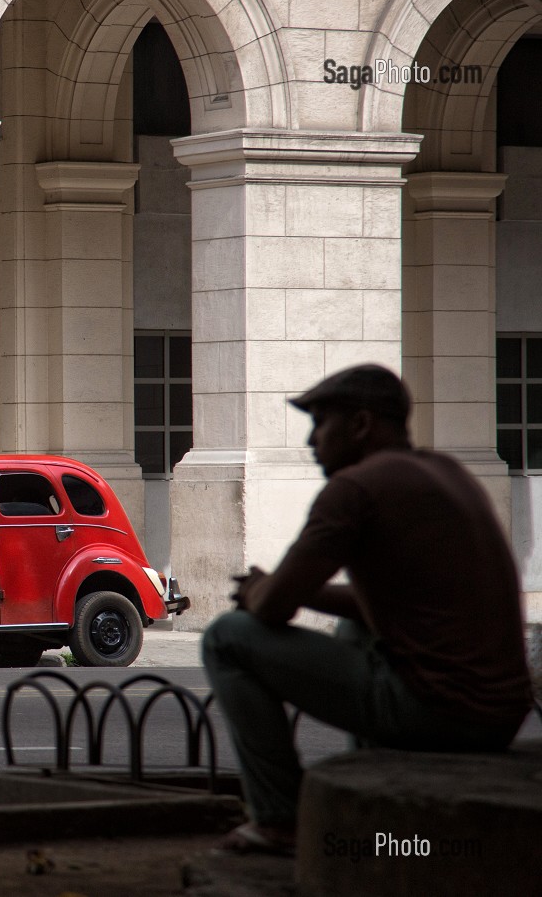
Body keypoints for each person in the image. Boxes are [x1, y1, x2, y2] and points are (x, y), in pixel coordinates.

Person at [202, 364, 533, 855]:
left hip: (437, 709)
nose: (313, 441)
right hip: (500, 714)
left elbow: (271, 609)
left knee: (227, 637)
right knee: (352, 628)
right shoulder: (447, 472)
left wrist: (260, 590)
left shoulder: (354, 489)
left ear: (360, 425)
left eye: (320, 423)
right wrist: (292, 591)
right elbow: (390, 600)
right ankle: (375, 777)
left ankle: (278, 819)